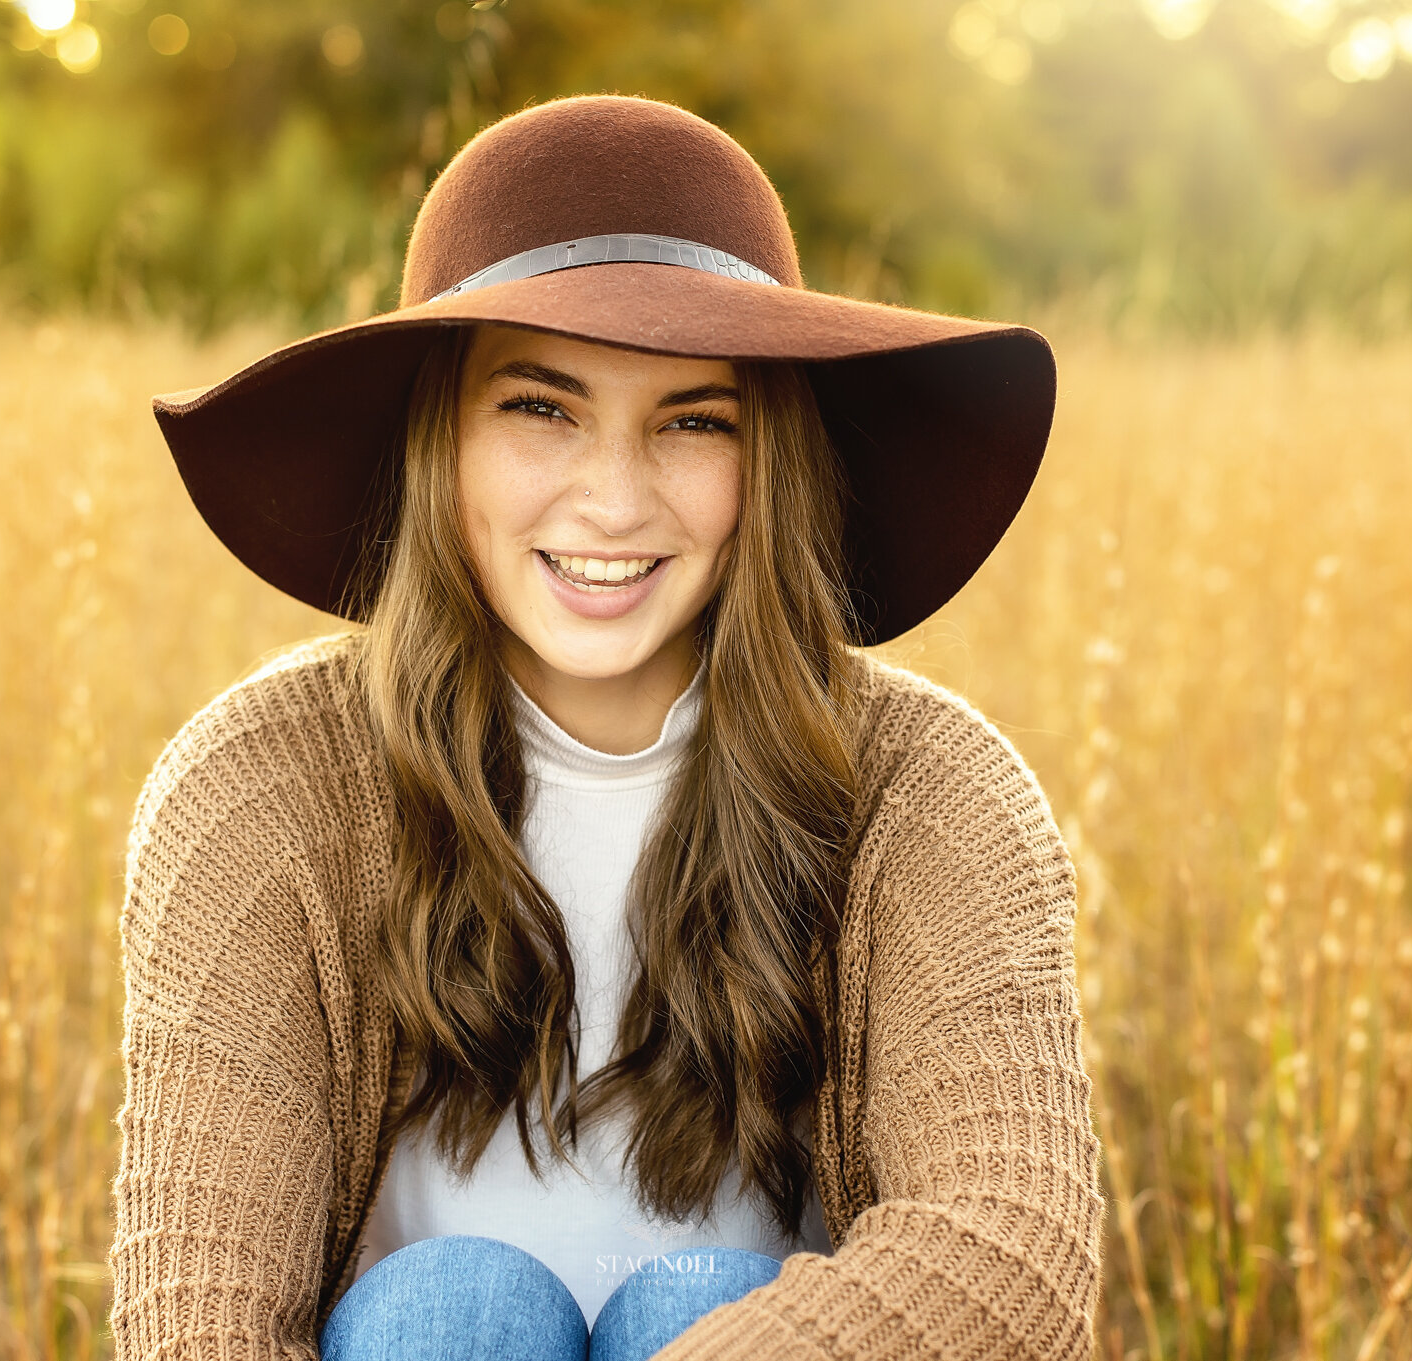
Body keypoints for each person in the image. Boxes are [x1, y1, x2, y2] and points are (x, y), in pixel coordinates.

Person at [109, 95, 1102, 1361]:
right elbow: (192, 1324)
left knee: (703, 1296)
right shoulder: (259, 785)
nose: (615, 498)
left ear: (771, 459)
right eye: (541, 406)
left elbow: (1012, 1238)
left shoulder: (929, 788)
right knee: (449, 1305)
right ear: (441, 439)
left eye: (694, 420)